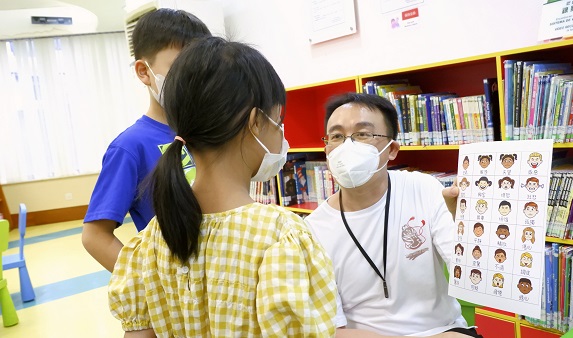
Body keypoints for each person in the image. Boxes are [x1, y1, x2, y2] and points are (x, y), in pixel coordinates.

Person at [108, 37, 339, 337]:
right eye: (278, 120)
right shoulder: (281, 237)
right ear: (255, 121)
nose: (281, 132)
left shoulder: (151, 240)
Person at [306, 93, 482, 337]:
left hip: (442, 331)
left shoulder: (424, 188)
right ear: (327, 150)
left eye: (362, 134)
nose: (347, 146)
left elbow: (474, 278)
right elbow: (333, 330)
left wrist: (466, 228)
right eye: (337, 136)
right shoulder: (312, 230)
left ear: (392, 150)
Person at [82, 9, 211, 272]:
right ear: (144, 71)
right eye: (181, 68)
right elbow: (95, 236)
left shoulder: (209, 131)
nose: (194, 80)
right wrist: (146, 282)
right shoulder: (130, 147)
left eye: (202, 70)